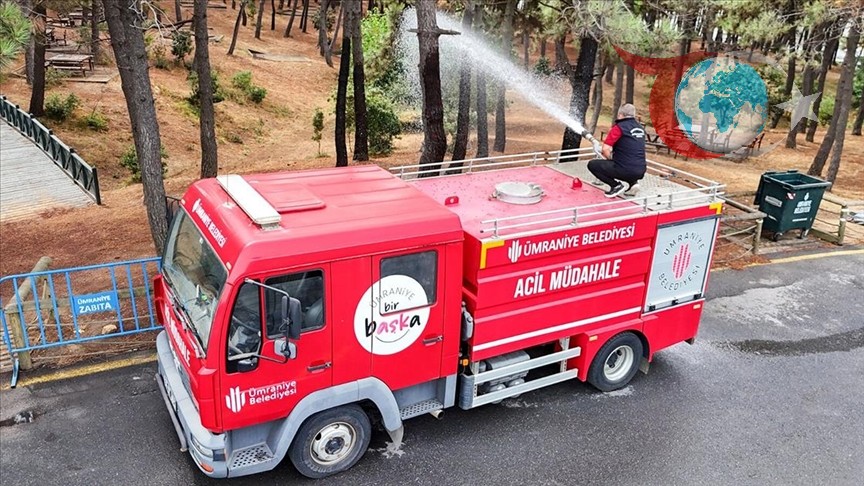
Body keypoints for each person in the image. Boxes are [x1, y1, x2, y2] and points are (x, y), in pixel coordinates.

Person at [587, 103, 647, 198]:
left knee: (592, 165)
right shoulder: (640, 128)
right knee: (628, 164)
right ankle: (633, 184)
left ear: (620, 115)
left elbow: (605, 149)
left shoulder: (619, 128)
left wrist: (610, 158)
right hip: (641, 170)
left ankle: (615, 186)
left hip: (624, 169)